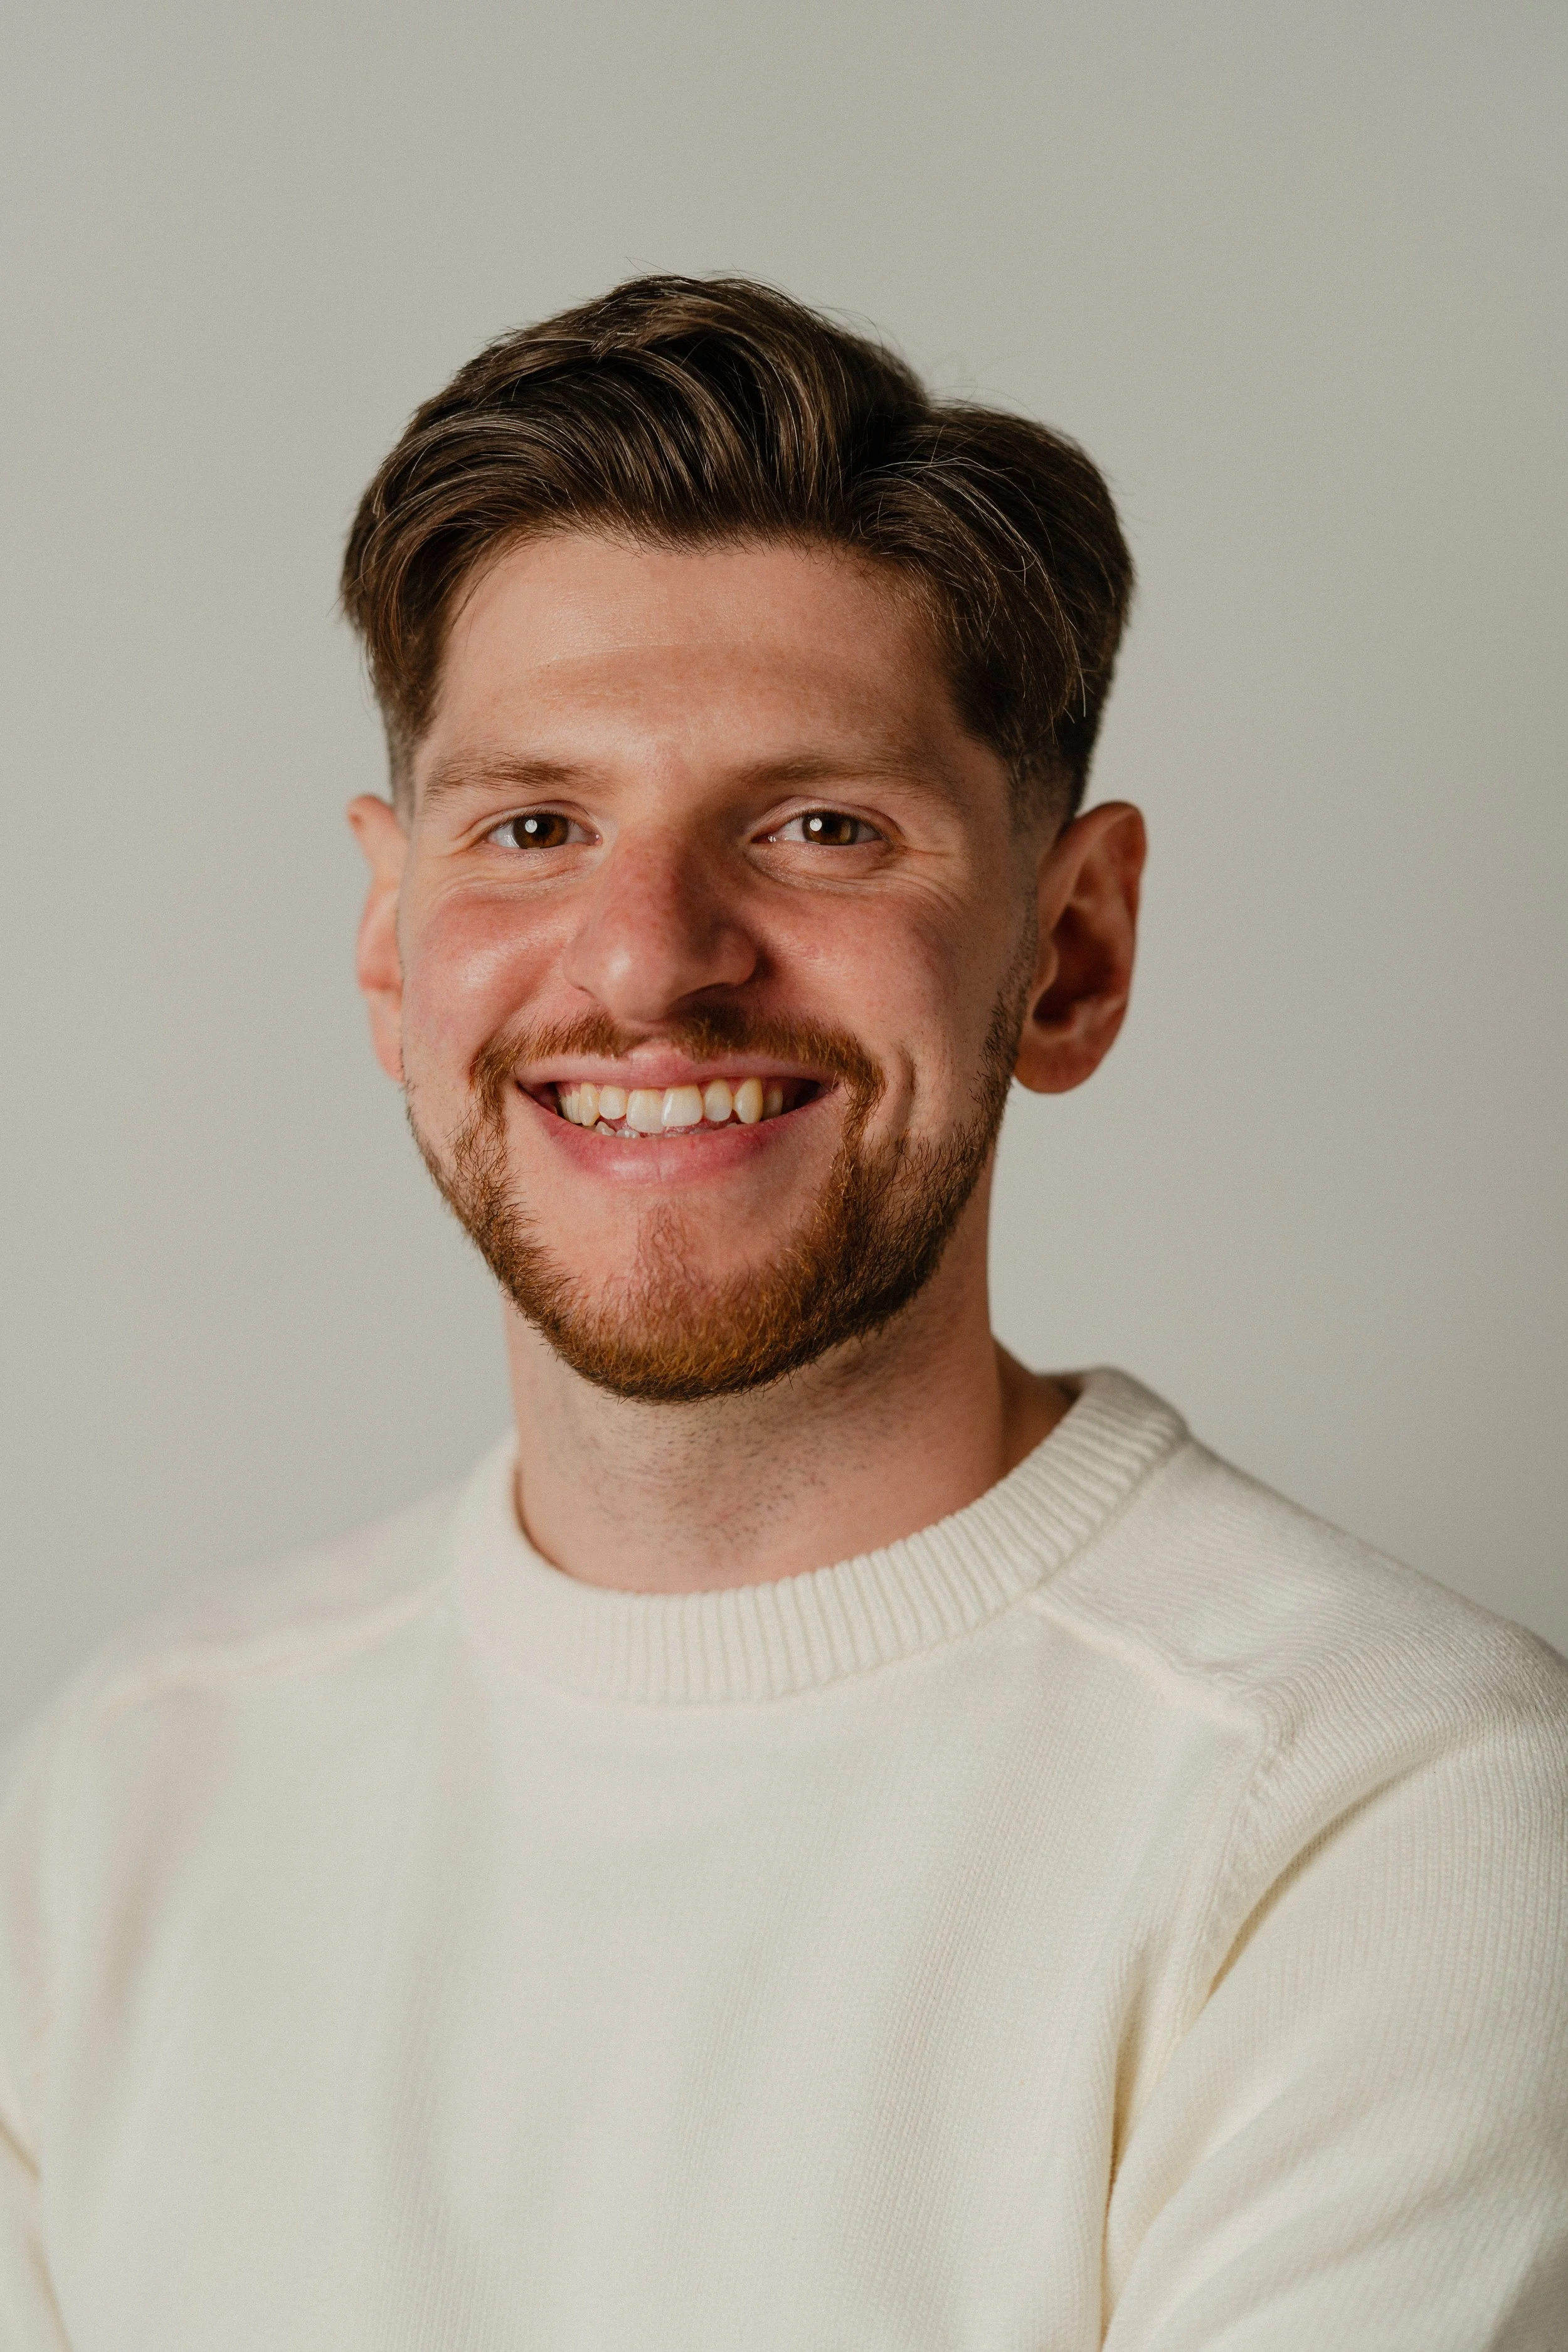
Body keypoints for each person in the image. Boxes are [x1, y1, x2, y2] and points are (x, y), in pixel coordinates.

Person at [1, 276, 1564, 2351]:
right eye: (535, 825)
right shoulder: (127, 1789)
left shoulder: (1393, 1816)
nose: (646, 961)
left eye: (819, 826)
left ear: (1068, 951)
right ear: (394, 946)